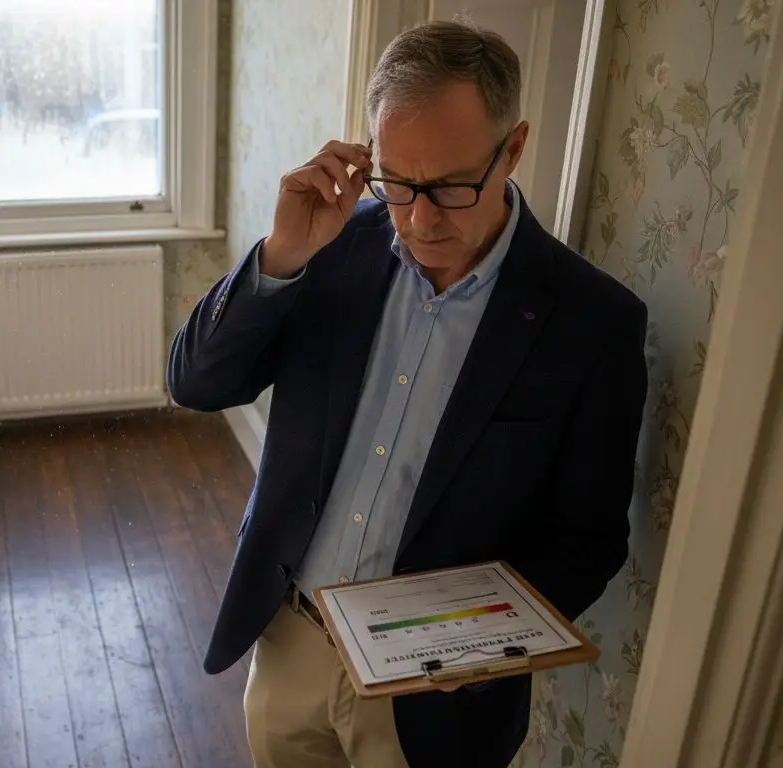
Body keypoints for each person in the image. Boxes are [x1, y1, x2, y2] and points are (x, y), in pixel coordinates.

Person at [167, 18, 647, 768]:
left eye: (453, 186)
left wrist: (479, 645)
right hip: (291, 637)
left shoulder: (593, 323)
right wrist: (282, 253)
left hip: (438, 699)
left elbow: (589, 538)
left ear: (512, 148)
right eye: (397, 182)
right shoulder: (328, 252)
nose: (420, 218)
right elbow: (195, 382)